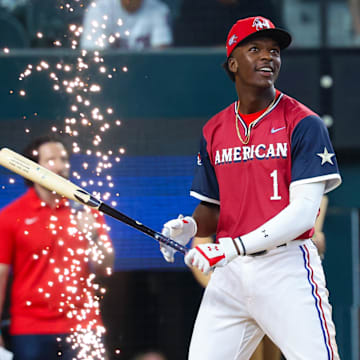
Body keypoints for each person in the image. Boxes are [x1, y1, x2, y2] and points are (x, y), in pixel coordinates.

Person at [160, 16, 342, 359]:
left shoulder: (304, 123)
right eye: (254, 49)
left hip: (286, 268)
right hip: (230, 275)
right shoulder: (214, 129)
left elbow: (303, 215)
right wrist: (191, 226)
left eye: (274, 51)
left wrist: (231, 248)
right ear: (232, 62)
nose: (267, 57)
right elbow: (214, 208)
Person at [0, 135, 114, 360]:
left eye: (64, 159)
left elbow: (105, 267)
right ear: (33, 167)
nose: (61, 166)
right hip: (30, 329)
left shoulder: (85, 210)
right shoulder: (11, 216)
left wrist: (92, 234)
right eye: (51, 159)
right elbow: (1, 274)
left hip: (83, 325)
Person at [173, 0, 281, 47]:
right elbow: (185, 47)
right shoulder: (194, 5)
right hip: (204, 70)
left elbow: (276, 37)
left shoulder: (260, 4)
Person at [80, 0, 173, 51]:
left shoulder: (159, 9)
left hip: (146, 74)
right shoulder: (99, 8)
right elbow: (94, 54)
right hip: (109, 77)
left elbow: (161, 56)